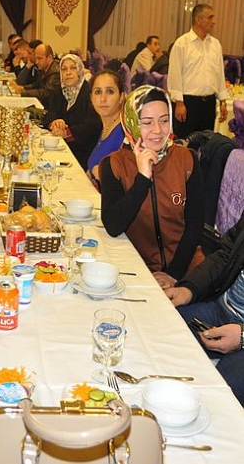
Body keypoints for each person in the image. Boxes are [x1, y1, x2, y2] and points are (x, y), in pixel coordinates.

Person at [100, 85, 204, 287]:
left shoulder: (187, 160)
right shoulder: (114, 165)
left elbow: (195, 224)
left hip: (185, 266)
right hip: (137, 270)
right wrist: (142, 178)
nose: (158, 130)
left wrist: (173, 274)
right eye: (147, 122)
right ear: (131, 122)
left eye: (164, 120)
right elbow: (113, 225)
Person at [165, 211, 244, 405]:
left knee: (220, 396)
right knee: (163, 329)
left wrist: (242, 336)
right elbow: (226, 253)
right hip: (220, 308)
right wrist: (189, 289)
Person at [169, 3, 228, 139]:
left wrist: (222, 101)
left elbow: (219, 74)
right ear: (198, 20)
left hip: (208, 104)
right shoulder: (182, 44)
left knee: (206, 143)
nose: (214, 21)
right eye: (210, 17)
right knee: (185, 143)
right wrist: (179, 103)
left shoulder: (215, 44)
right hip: (188, 103)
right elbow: (175, 75)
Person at [42, 53, 101, 170]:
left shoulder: (90, 93)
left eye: (73, 68)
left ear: (80, 71)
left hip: (82, 154)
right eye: (64, 69)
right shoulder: (59, 91)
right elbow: (49, 113)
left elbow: (92, 125)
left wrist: (66, 133)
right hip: (59, 148)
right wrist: (55, 122)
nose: (68, 73)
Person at [86, 69, 126, 188]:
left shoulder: (124, 132)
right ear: (91, 98)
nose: (103, 98)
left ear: (121, 97)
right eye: (98, 92)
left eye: (110, 91)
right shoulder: (106, 127)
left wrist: (104, 174)